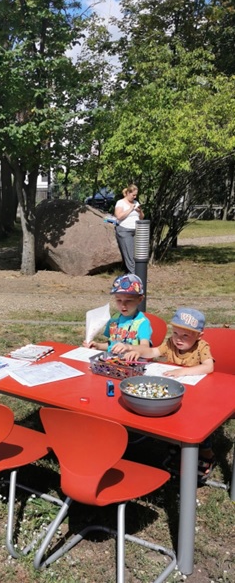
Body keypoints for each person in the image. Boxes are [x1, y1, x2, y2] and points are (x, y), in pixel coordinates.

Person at [124, 308, 216, 481]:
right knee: (174, 419)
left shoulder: (202, 347)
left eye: (185, 336)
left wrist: (183, 372)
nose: (178, 339)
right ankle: (177, 447)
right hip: (175, 391)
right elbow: (153, 352)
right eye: (175, 333)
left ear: (199, 336)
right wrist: (138, 351)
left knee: (196, 422)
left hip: (198, 394)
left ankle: (206, 453)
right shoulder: (171, 343)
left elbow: (208, 367)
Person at [83, 273, 152, 353]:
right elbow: (111, 344)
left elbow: (145, 348)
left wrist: (128, 347)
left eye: (128, 300)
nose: (123, 305)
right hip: (112, 361)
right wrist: (98, 346)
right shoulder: (113, 319)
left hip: (132, 362)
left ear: (140, 299)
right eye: (119, 300)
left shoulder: (142, 322)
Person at [114, 184, 144, 274]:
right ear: (127, 193)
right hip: (124, 230)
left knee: (137, 254)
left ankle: (140, 273)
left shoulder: (136, 203)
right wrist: (130, 209)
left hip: (136, 230)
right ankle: (134, 275)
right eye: (133, 195)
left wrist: (140, 211)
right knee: (129, 254)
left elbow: (141, 217)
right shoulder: (120, 202)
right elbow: (118, 216)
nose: (135, 197)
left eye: (136, 195)